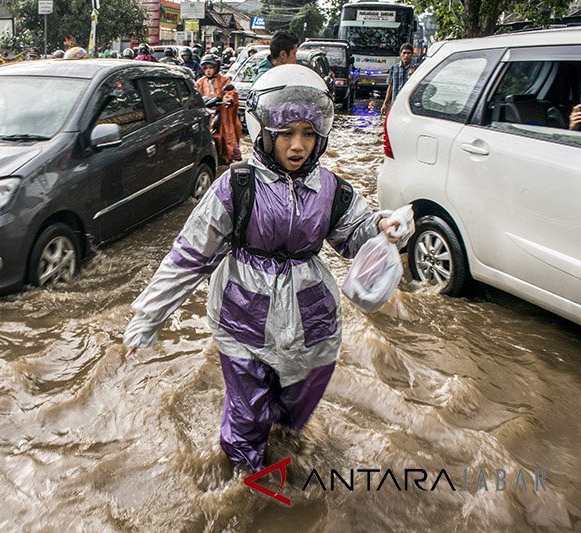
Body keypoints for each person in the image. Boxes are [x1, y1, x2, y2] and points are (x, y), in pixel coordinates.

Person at [124, 64, 403, 474]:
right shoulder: (236, 186)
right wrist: (148, 317)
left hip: (313, 321)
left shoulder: (330, 189)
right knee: (247, 414)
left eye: (308, 133)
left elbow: (352, 235)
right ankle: (247, 477)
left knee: (296, 407)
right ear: (264, 133)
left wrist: (382, 226)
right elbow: (189, 256)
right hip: (244, 320)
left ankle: (282, 440)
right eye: (286, 133)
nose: (298, 145)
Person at [196, 54, 242, 164]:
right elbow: (195, 95)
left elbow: (231, 92)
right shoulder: (200, 82)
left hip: (222, 111)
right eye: (205, 68)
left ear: (216, 68)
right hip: (206, 111)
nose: (208, 71)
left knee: (229, 131)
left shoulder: (224, 80)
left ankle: (231, 154)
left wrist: (228, 100)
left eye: (210, 68)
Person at [380, 43, 414, 115]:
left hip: (409, 105)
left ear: (412, 54)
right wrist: (385, 103)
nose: (406, 56)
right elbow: (390, 86)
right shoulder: (394, 68)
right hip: (395, 103)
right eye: (404, 53)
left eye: (408, 53)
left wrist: (412, 76)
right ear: (400, 54)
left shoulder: (416, 69)